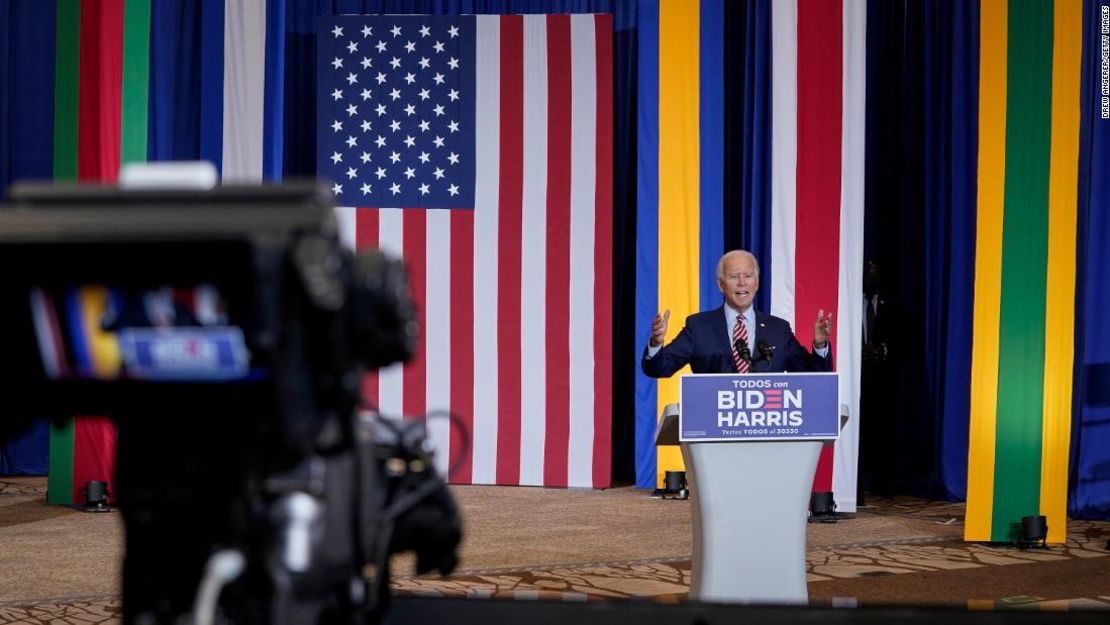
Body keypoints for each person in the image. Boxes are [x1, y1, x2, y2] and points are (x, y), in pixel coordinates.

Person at [642, 250, 832, 378]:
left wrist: (820, 345)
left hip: (766, 430)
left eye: (748, 276)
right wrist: (656, 343)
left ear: (756, 283)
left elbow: (812, 375)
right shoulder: (699, 327)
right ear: (721, 285)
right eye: (734, 277)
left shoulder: (778, 329)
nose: (742, 283)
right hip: (713, 429)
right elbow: (659, 368)